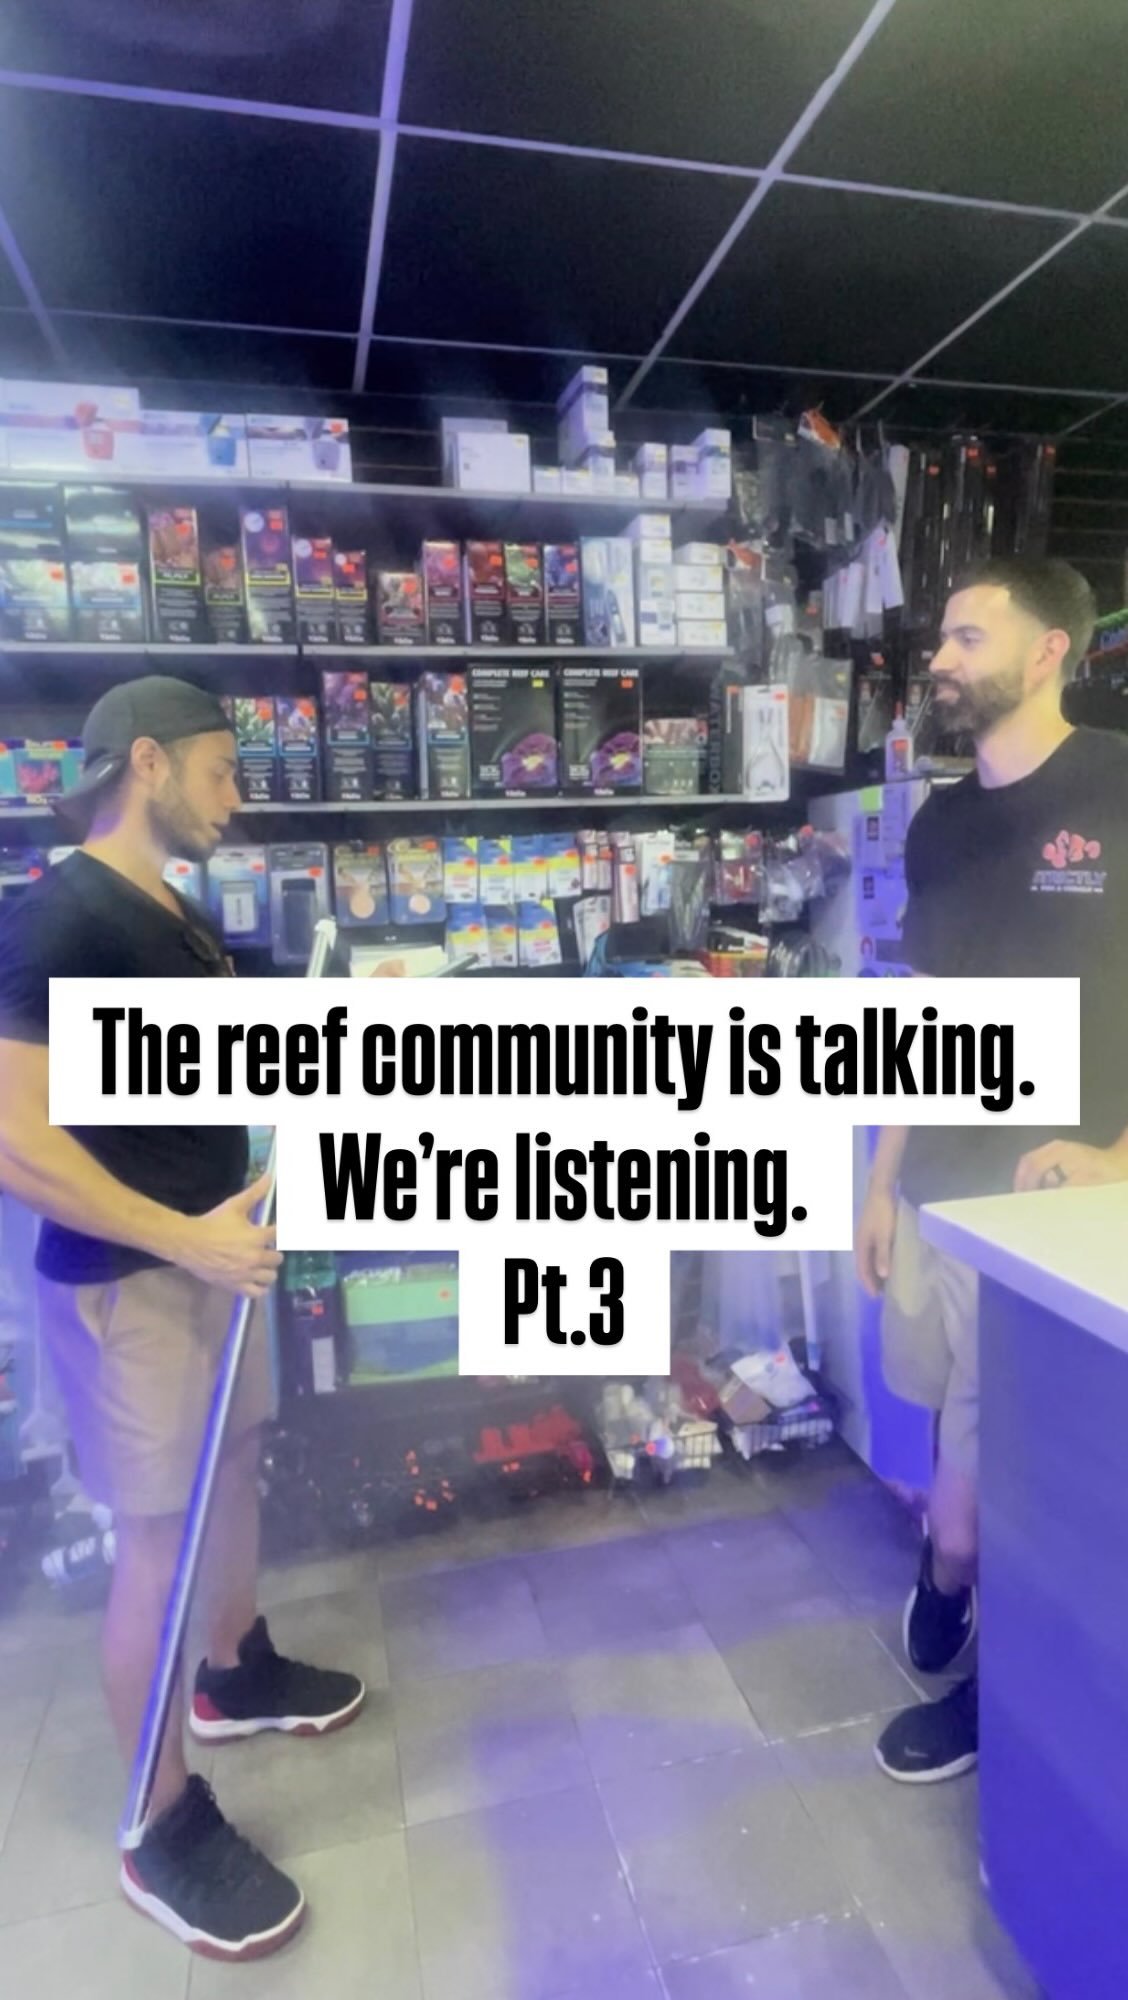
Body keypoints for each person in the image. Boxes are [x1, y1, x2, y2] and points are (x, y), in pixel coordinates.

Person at [0, 678, 365, 1960]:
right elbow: (15, 1138)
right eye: (221, 771)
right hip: (132, 1280)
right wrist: (182, 1233)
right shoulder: (58, 914)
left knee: (233, 1465)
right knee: (155, 1538)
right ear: (145, 762)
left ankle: (234, 1668)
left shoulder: (174, 915)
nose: (237, 797)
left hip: (214, 1256)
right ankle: (156, 1822)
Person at [855, 558, 1128, 1785]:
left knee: (1003, 1484)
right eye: (943, 637)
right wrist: (880, 1179)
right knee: (942, 1427)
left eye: (970, 635)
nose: (942, 657)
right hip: (938, 1196)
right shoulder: (941, 823)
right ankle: (948, 1570)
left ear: (1052, 648)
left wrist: (1117, 1157)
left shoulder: (1119, 787)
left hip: (1055, 1214)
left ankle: (994, 1693)